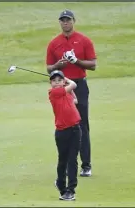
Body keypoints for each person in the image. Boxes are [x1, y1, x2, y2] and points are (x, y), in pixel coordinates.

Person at [46, 9, 97, 177]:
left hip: (79, 86)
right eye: (62, 20)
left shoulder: (84, 40)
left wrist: (77, 61)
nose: (65, 22)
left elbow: (93, 65)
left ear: (73, 21)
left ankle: (86, 165)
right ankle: (69, 164)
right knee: (65, 125)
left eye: (68, 20)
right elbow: (49, 68)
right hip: (61, 88)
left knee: (82, 125)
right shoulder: (54, 43)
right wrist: (58, 66)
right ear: (60, 22)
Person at [48, 70, 82, 201]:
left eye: (59, 80)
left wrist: (66, 84)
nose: (56, 83)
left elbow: (76, 100)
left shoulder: (65, 92)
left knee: (72, 160)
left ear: (63, 82)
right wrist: (67, 80)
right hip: (62, 132)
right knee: (63, 160)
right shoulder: (53, 93)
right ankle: (61, 184)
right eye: (54, 81)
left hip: (75, 129)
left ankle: (70, 190)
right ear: (50, 83)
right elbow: (74, 85)